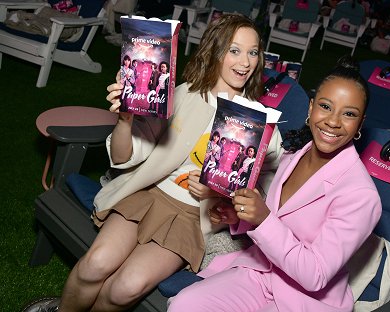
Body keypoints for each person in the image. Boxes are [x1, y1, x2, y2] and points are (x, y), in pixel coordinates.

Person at [23, 13, 283, 312]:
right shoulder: (182, 95)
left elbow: (263, 190)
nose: (245, 62)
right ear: (215, 51)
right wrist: (124, 118)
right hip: (150, 193)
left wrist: (217, 193)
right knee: (95, 264)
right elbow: (124, 157)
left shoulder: (258, 122)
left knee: (125, 288)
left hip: (191, 218)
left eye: (253, 52)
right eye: (234, 50)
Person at [168, 56, 382, 312]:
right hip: (259, 272)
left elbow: (315, 274)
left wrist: (263, 219)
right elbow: (277, 224)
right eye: (325, 106)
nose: (333, 121)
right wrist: (239, 217)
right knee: (184, 305)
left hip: (306, 300)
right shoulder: (293, 156)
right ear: (311, 107)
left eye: (349, 114)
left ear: (360, 123)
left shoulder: (362, 195)